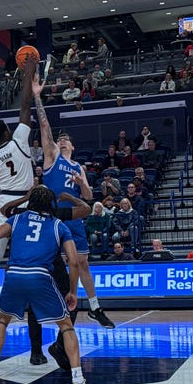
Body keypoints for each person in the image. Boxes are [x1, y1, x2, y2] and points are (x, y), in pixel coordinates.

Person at [0, 186, 93, 384]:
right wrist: (72, 291)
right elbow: (73, 261)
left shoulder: (17, 219)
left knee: (1, 321)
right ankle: (78, 381)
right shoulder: (58, 225)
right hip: (40, 275)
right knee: (66, 326)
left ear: (30, 202)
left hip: (15, 274)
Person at [34, 73, 114, 328]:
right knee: (50, 265)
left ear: (73, 145)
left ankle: (94, 307)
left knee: (82, 263)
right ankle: (51, 306)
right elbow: (45, 127)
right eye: (60, 139)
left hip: (75, 218)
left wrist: (82, 185)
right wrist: (37, 97)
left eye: (66, 140)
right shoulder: (52, 158)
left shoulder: (79, 167)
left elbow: (89, 198)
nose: (62, 140)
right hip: (54, 216)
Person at [0, 53, 36, 322]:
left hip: (3, 204)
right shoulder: (20, 140)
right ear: (8, 132)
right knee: (23, 255)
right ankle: (2, 300)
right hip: (24, 202)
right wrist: (28, 72)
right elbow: (25, 106)